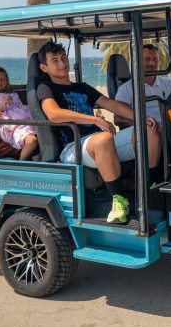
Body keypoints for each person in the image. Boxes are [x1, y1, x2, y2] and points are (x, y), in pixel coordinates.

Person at [36, 41, 161, 224]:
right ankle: (119, 200)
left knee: (148, 129)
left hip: (101, 142)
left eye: (63, 58)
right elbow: (54, 114)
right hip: (74, 147)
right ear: (44, 67)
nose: (62, 64)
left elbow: (111, 104)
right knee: (103, 139)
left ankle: (151, 187)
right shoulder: (46, 88)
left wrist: (141, 117)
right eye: (55, 61)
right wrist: (95, 119)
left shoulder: (83, 87)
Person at [0, 66, 39, 161]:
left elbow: (21, 109)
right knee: (32, 141)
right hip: (12, 127)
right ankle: (21, 164)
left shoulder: (13, 94)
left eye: (2, 79)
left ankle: (40, 170)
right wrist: (2, 105)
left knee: (41, 143)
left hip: (27, 122)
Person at [114, 43, 171, 126]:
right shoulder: (127, 88)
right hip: (143, 131)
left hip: (169, 128)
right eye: (148, 59)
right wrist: (141, 124)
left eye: (155, 59)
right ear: (138, 62)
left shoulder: (169, 84)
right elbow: (118, 118)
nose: (152, 63)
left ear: (159, 62)